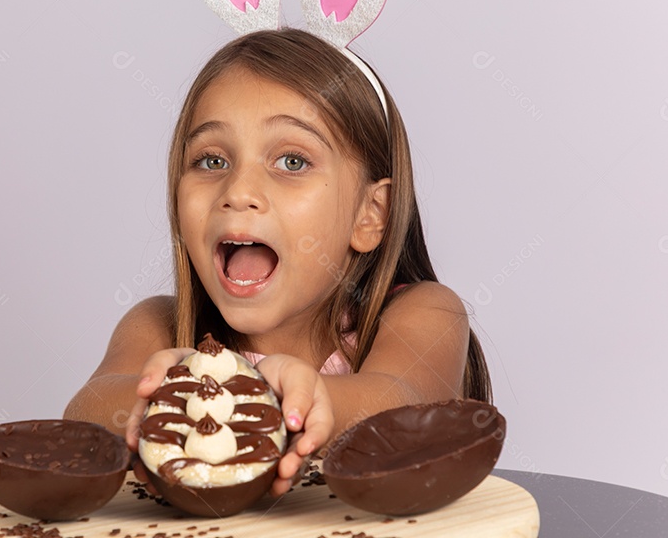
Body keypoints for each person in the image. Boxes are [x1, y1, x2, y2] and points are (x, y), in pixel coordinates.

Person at [64, 27, 492, 498]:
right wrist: (181, 391)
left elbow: (404, 403)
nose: (238, 192)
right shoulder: (159, 326)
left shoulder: (424, 312)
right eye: (211, 161)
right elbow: (88, 409)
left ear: (371, 215)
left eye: (291, 161)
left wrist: (302, 398)